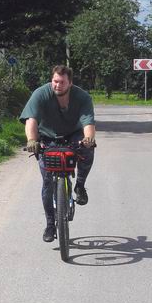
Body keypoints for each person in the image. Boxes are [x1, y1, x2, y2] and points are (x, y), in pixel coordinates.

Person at [20, 65, 96, 242]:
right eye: (55, 81)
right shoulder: (40, 94)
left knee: (88, 150)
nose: (57, 85)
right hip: (47, 136)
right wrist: (32, 141)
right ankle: (50, 225)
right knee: (47, 182)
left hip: (74, 134)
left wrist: (89, 139)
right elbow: (31, 119)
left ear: (70, 83)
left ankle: (80, 186)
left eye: (62, 82)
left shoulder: (82, 97)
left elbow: (88, 123)